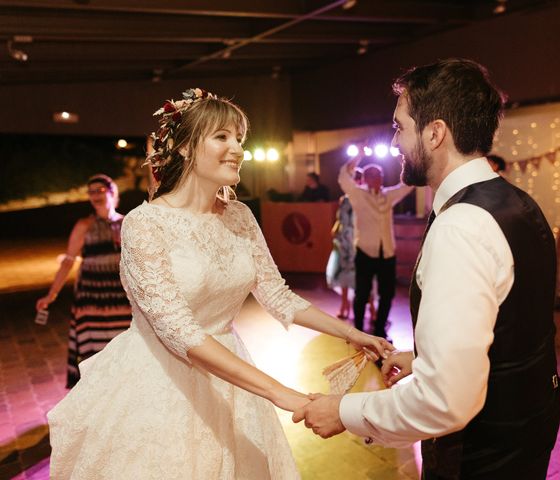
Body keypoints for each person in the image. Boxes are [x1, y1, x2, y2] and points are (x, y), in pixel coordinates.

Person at [47, 88, 393, 479]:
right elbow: (179, 331)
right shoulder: (145, 224)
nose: (238, 149)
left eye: (240, 139)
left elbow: (277, 295)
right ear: (184, 148)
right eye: (223, 137)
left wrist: (351, 333)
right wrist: (284, 394)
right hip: (161, 382)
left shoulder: (240, 216)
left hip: (233, 378)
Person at [294, 59, 560, 479]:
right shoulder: (517, 203)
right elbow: (507, 328)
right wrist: (423, 358)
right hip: (528, 429)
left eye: (400, 127)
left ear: (435, 133)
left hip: (482, 456)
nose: (395, 141)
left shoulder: (460, 227)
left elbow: (445, 402)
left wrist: (344, 411)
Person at [36, 174, 132, 388]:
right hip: (91, 298)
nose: (95, 195)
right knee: (94, 350)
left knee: (122, 345)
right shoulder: (84, 225)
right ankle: (97, 396)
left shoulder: (127, 223)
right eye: (91, 192)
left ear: (112, 192)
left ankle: (121, 392)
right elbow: (68, 262)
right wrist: (51, 295)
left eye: (100, 190)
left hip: (120, 298)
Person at [337, 157, 413, 341]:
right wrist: (358, 156)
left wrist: (407, 160)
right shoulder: (358, 195)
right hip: (365, 252)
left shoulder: (388, 195)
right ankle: (358, 332)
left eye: (378, 175)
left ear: (382, 177)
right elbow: (342, 178)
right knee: (362, 294)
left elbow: (408, 185)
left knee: (387, 294)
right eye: (371, 175)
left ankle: (380, 330)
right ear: (365, 178)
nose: (375, 178)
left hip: (387, 253)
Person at [325, 167, 376, 320]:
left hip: (360, 240)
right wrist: (335, 230)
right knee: (344, 275)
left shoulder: (365, 197)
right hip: (344, 241)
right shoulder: (344, 199)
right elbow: (340, 220)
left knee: (365, 276)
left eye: (356, 179)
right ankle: (345, 305)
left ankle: (372, 309)